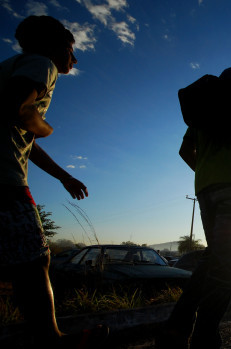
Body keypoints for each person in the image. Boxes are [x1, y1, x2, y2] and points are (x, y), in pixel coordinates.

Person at [0, 15, 107, 348]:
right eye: (70, 50)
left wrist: (64, 176)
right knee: (35, 260)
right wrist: (44, 127)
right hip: (5, 181)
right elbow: (17, 108)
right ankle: (51, 340)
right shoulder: (41, 63)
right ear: (52, 46)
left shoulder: (9, 66)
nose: (74, 60)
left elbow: (23, 140)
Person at [158, 67, 231, 349]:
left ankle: (176, 328)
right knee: (227, 264)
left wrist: (204, 170)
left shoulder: (200, 113)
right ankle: (205, 336)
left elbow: (184, 151)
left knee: (214, 258)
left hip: (206, 189)